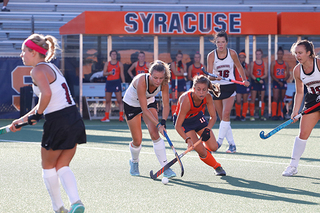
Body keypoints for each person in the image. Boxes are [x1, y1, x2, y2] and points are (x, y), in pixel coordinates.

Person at [10, 34, 86, 213]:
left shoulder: (36, 70)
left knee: (47, 166)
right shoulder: (51, 67)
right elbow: (44, 101)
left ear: (34, 52)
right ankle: (76, 203)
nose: (22, 55)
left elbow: (47, 96)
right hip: (74, 118)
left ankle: (58, 208)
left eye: (24, 51)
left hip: (58, 122)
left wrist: (37, 115)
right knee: (62, 166)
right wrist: (21, 120)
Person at [122, 60, 176, 178]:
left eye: (161, 78)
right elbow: (144, 109)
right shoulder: (141, 81)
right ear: (150, 75)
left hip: (149, 101)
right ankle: (134, 161)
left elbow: (166, 105)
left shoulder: (164, 83)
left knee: (155, 134)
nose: (158, 81)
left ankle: (165, 167)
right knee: (137, 141)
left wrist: (163, 123)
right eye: (155, 77)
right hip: (131, 105)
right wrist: (158, 125)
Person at [207, 30, 250, 153]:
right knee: (223, 119)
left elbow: (239, 67)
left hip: (230, 86)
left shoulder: (232, 53)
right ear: (215, 42)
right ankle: (232, 144)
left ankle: (218, 142)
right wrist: (215, 77)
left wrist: (244, 79)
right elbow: (209, 75)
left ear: (226, 42)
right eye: (218, 42)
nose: (220, 44)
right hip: (216, 88)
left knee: (226, 115)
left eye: (223, 42)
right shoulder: (211, 55)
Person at [173, 75, 226, 176]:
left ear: (207, 90)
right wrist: (187, 139)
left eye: (204, 90)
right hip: (184, 122)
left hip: (197, 118)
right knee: (201, 151)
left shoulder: (208, 97)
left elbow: (213, 117)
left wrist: (207, 129)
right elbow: (177, 126)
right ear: (193, 89)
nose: (201, 92)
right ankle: (217, 166)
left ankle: (207, 153)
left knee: (214, 147)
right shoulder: (186, 100)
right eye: (198, 89)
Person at [282, 40, 320, 176]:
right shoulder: (297, 70)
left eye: (300, 53)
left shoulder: (319, 64)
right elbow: (299, 92)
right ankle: (293, 166)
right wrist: (295, 111)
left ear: (309, 53)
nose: (297, 56)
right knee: (303, 134)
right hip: (312, 100)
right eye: (296, 53)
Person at [100, 50, 125, 122]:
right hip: (109, 82)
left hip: (116, 82)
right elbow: (104, 73)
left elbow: (122, 74)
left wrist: (123, 83)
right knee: (107, 100)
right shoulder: (107, 64)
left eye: (115, 54)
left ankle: (121, 116)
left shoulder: (120, 64)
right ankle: (106, 116)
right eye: (112, 54)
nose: (114, 56)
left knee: (119, 100)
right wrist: (109, 73)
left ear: (116, 55)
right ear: (110, 56)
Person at [270, 47, 290, 120]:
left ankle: (280, 114)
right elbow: (272, 74)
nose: (280, 55)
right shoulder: (273, 63)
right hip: (276, 81)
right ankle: (274, 115)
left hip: (283, 81)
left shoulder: (286, 64)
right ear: (277, 54)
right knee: (275, 98)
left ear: (283, 54)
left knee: (282, 98)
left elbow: (288, 74)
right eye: (279, 54)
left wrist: (283, 80)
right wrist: (278, 81)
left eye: (281, 54)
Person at [249, 49, 268, 121]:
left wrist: (260, 79)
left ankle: (261, 115)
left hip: (261, 82)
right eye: (257, 54)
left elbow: (265, 74)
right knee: (253, 99)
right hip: (255, 82)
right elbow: (251, 73)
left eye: (259, 54)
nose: (258, 55)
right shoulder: (253, 63)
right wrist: (257, 79)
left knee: (261, 99)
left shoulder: (264, 64)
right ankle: (252, 115)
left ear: (262, 54)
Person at [170, 51, 187, 118]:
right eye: (178, 57)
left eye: (181, 57)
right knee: (174, 99)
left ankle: (181, 114)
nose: (179, 58)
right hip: (175, 81)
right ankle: (173, 115)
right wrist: (182, 74)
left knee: (182, 98)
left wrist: (181, 68)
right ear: (176, 57)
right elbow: (175, 73)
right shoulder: (173, 64)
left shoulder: (184, 65)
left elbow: (185, 74)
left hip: (182, 82)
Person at [234, 50, 250, 121]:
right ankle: (238, 115)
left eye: (243, 57)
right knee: (238, 100)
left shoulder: (247, 65)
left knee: (245, 99)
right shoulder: (235, 65)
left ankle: (244, 115)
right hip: (238, 83)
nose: (241, 59)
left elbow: (248, 74)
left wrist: (244, 68)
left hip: (245, 83)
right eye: (240, 57)